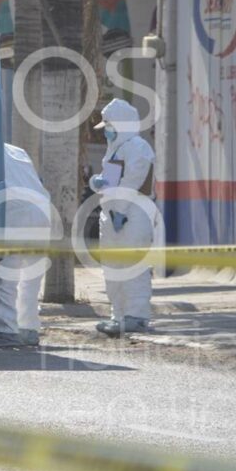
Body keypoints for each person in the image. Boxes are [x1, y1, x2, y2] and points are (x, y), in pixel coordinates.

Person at [88, 98, 157, 338]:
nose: (106, 132)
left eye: (109, 126)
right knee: (113, 269)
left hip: (133, 214)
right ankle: (118, 315)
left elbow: (133, 181)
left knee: (133, 267)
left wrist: (121, 210)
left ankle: (136, 316)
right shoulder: (115, 149)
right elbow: (110, 183)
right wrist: (95, 183)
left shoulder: (138, 147)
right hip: (113, 215)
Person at [0, 144, 53, 348]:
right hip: (41, 211)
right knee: (31, 276)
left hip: (13, 213)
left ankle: (5, 331)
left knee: (5, 277)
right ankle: (28, 329)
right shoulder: (16, 150)